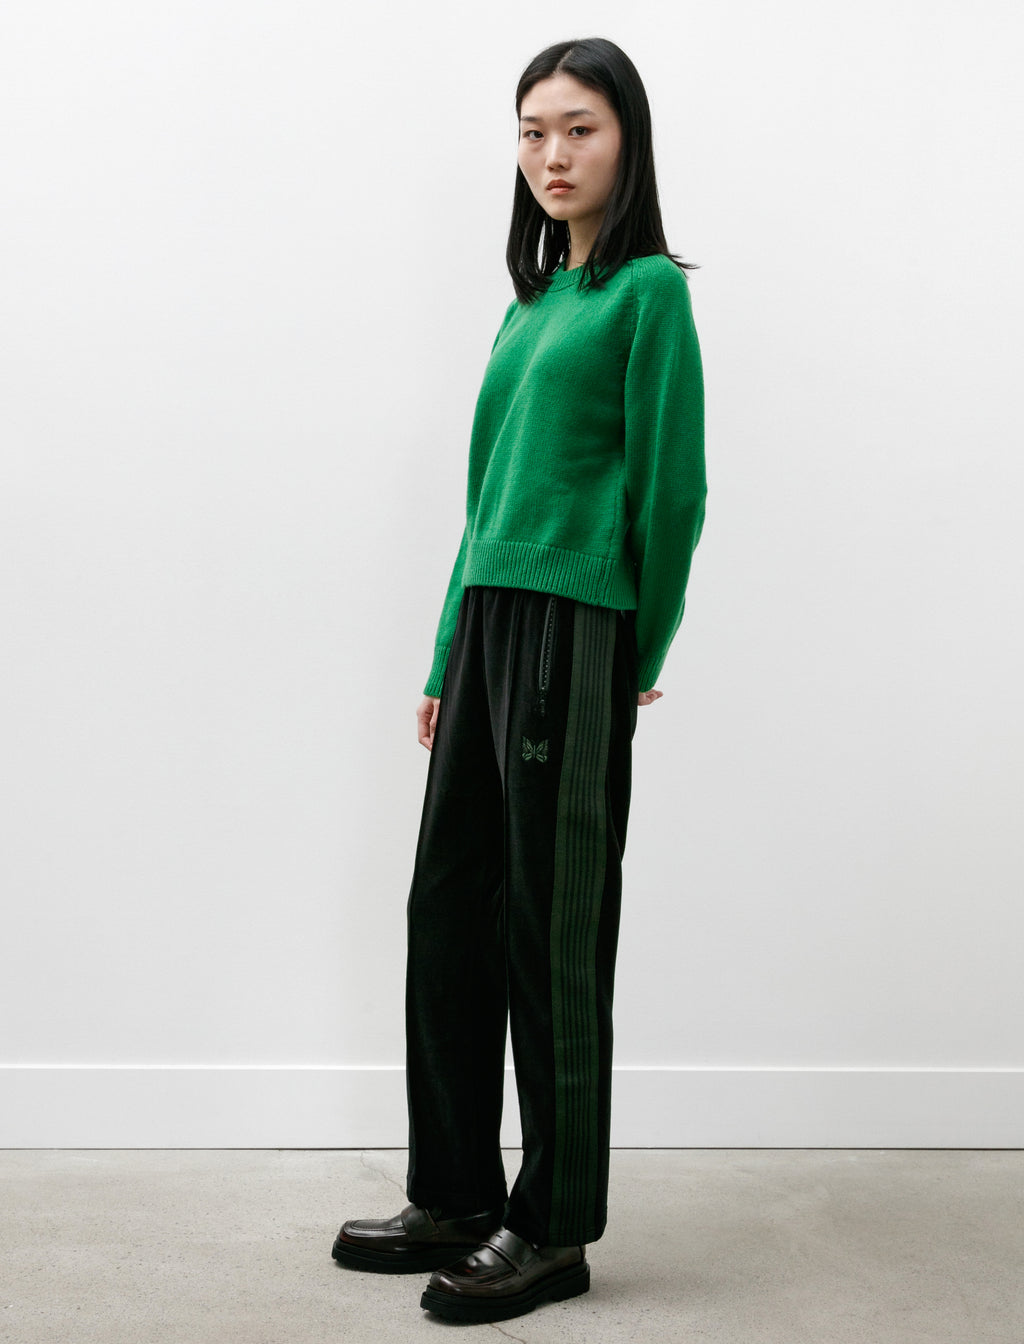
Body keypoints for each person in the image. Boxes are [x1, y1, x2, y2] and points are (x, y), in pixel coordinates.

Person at [331, 35, 707, 1326]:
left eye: (580, 128)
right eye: (534, 131)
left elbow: (672, 491)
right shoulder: (530, 306)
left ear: (628, 141)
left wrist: (634, 648)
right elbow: (483, 505)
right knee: (448, 912)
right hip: (491, 629)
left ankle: (552, 1227)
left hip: (573, 632)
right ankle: (453, 1191)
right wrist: (447, 658)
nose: (554, 154)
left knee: (553, 928)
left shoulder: (647, 297)